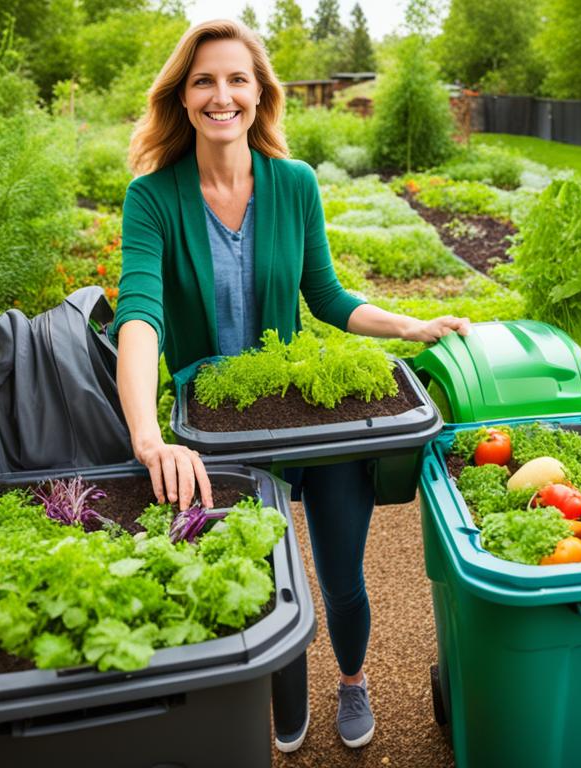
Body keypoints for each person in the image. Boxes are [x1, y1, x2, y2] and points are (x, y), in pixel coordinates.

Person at [109, 19, 469, 752]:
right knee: (252, 573)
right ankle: (278, 681)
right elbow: (139, 316)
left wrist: (408, 326)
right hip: (214, 426)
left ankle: (353, 679)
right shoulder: (151, 198)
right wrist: (150, 438)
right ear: (182, 97)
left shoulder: (295, 184)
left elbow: (327, 297)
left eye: (237, 78)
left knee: (341, 570)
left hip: (301, 410)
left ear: (259, 93)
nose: (222, 95)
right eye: (204, 80)